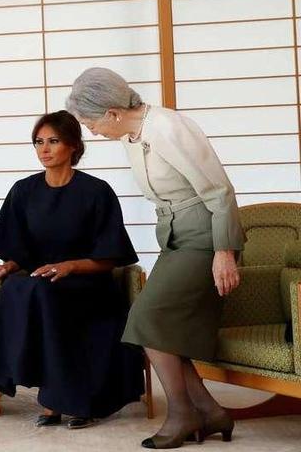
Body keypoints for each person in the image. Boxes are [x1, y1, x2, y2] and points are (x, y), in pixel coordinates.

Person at [67, 67, 244, 449]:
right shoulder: (134, 134)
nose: (91, 132)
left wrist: (224, 252)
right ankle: (210, 412)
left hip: (206, 233)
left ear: (113, 112)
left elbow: (220, 192)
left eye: (90, 122)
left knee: (147, 318)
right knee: (161, 328)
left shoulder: (166, 127)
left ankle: (183, 414)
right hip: (176, 236)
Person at [0, 110, 142, 430]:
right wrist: (5, 265)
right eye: (39, 142)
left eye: (53, 141)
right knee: (16, 287)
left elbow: (111, 257)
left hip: (89, 283)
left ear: (73, 146)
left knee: (43, 294)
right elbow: (20, 253)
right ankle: (53, 397)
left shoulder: (97, 191)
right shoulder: (23, 191)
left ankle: (68, 401)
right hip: (43, 282)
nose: (44, 149)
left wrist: (69, 266)